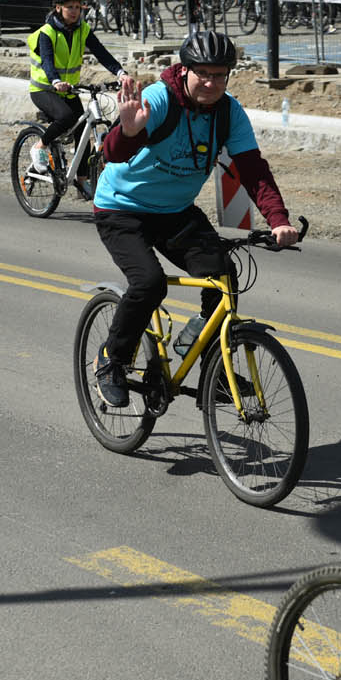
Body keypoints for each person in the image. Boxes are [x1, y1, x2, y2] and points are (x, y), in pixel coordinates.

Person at [91, 31, 298, 407]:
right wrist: (129, 130)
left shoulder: (228, 112)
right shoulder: (159, 99)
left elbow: (253, 170)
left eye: (220, 75)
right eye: (202, 73)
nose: (211, 82)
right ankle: (111, 361)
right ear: (184, 69)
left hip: (174, 212)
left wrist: (278, 218)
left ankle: (208, 362)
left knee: (223, 276)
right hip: (121, 207)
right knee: (150, 283)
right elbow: (114, 154)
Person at [26, 0, 135, 178]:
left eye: (78, 7)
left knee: (83, 130)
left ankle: (82, 179)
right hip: (44, 89)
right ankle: (39, 146)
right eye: (70, 7)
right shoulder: (47, 32)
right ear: (58, 7)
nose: (75, 11)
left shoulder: (82, 29)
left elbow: (101, 53)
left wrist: (120, 72)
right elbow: (48, 62)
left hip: (69, 90)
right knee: (67, 117)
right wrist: (55, 81)